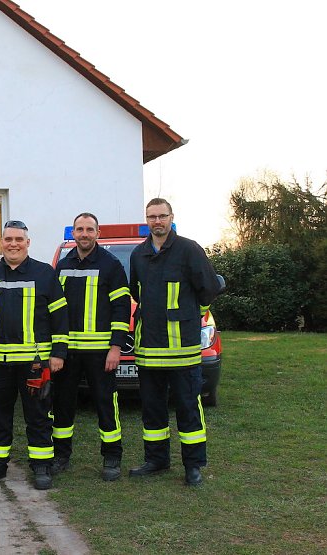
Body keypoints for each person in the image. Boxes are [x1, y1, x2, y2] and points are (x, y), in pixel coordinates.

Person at [0, 220, 69, 490]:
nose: (13, 244)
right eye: (9, 239)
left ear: (28, 243)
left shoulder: (44, 273)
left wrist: (58, 353)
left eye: (18, 239)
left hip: (35, 364)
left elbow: (59, 317)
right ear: (2, 243)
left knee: (37, 415)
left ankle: (41, 466)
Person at [128, 198, 222, 486]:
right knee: (153, 410)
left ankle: (193, 465)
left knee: (188, 409)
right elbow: (136, 292)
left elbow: (208, 288)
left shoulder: (189, 250)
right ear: (147, 220)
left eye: (162, 216)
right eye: (152, 216)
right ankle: (156, 460)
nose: (157, 221)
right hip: (149, 352)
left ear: (171, 217)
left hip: (183, 351)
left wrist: (189, 313)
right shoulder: (139, 254)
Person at [53, 213, 131, 481]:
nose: (84, 234)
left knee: (105, 405)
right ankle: (61, 455)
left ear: (98, 233)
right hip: (67, 352)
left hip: (100, 353)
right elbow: (53, 310)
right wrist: (56, 350)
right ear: (73, 233)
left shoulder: (111, 266)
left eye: (89, 229)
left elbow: (121, 308)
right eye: (79, 229)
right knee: (62, 405)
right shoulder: (62, 266)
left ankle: (112, 457)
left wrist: (116, 347)